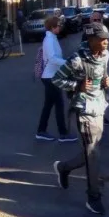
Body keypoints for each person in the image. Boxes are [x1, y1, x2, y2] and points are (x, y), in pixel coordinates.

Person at [52, 22, 109, 215]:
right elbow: (57, 79)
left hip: (99, 106)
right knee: (93, 152)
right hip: (84, 108)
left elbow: (102, 75)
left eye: (106, 38)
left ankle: (63, 168)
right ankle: (93, 197)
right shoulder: (76, 60)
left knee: (92, 151)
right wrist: (77, 86)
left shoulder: (104, 55)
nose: (106, 41)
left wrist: (106, 81)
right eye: (102, 38)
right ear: (91, 39)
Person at [35, 14, 75, 142]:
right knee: (59, 104)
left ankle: (41, 131)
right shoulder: (49, 40)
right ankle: (63, 134)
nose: (60, 27)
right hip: (50, 77)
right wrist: (67, 63)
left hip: (50, 75)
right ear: (52, 27)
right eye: (58, 25)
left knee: (49, 105)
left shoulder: (52, 38)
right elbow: (52, 58)